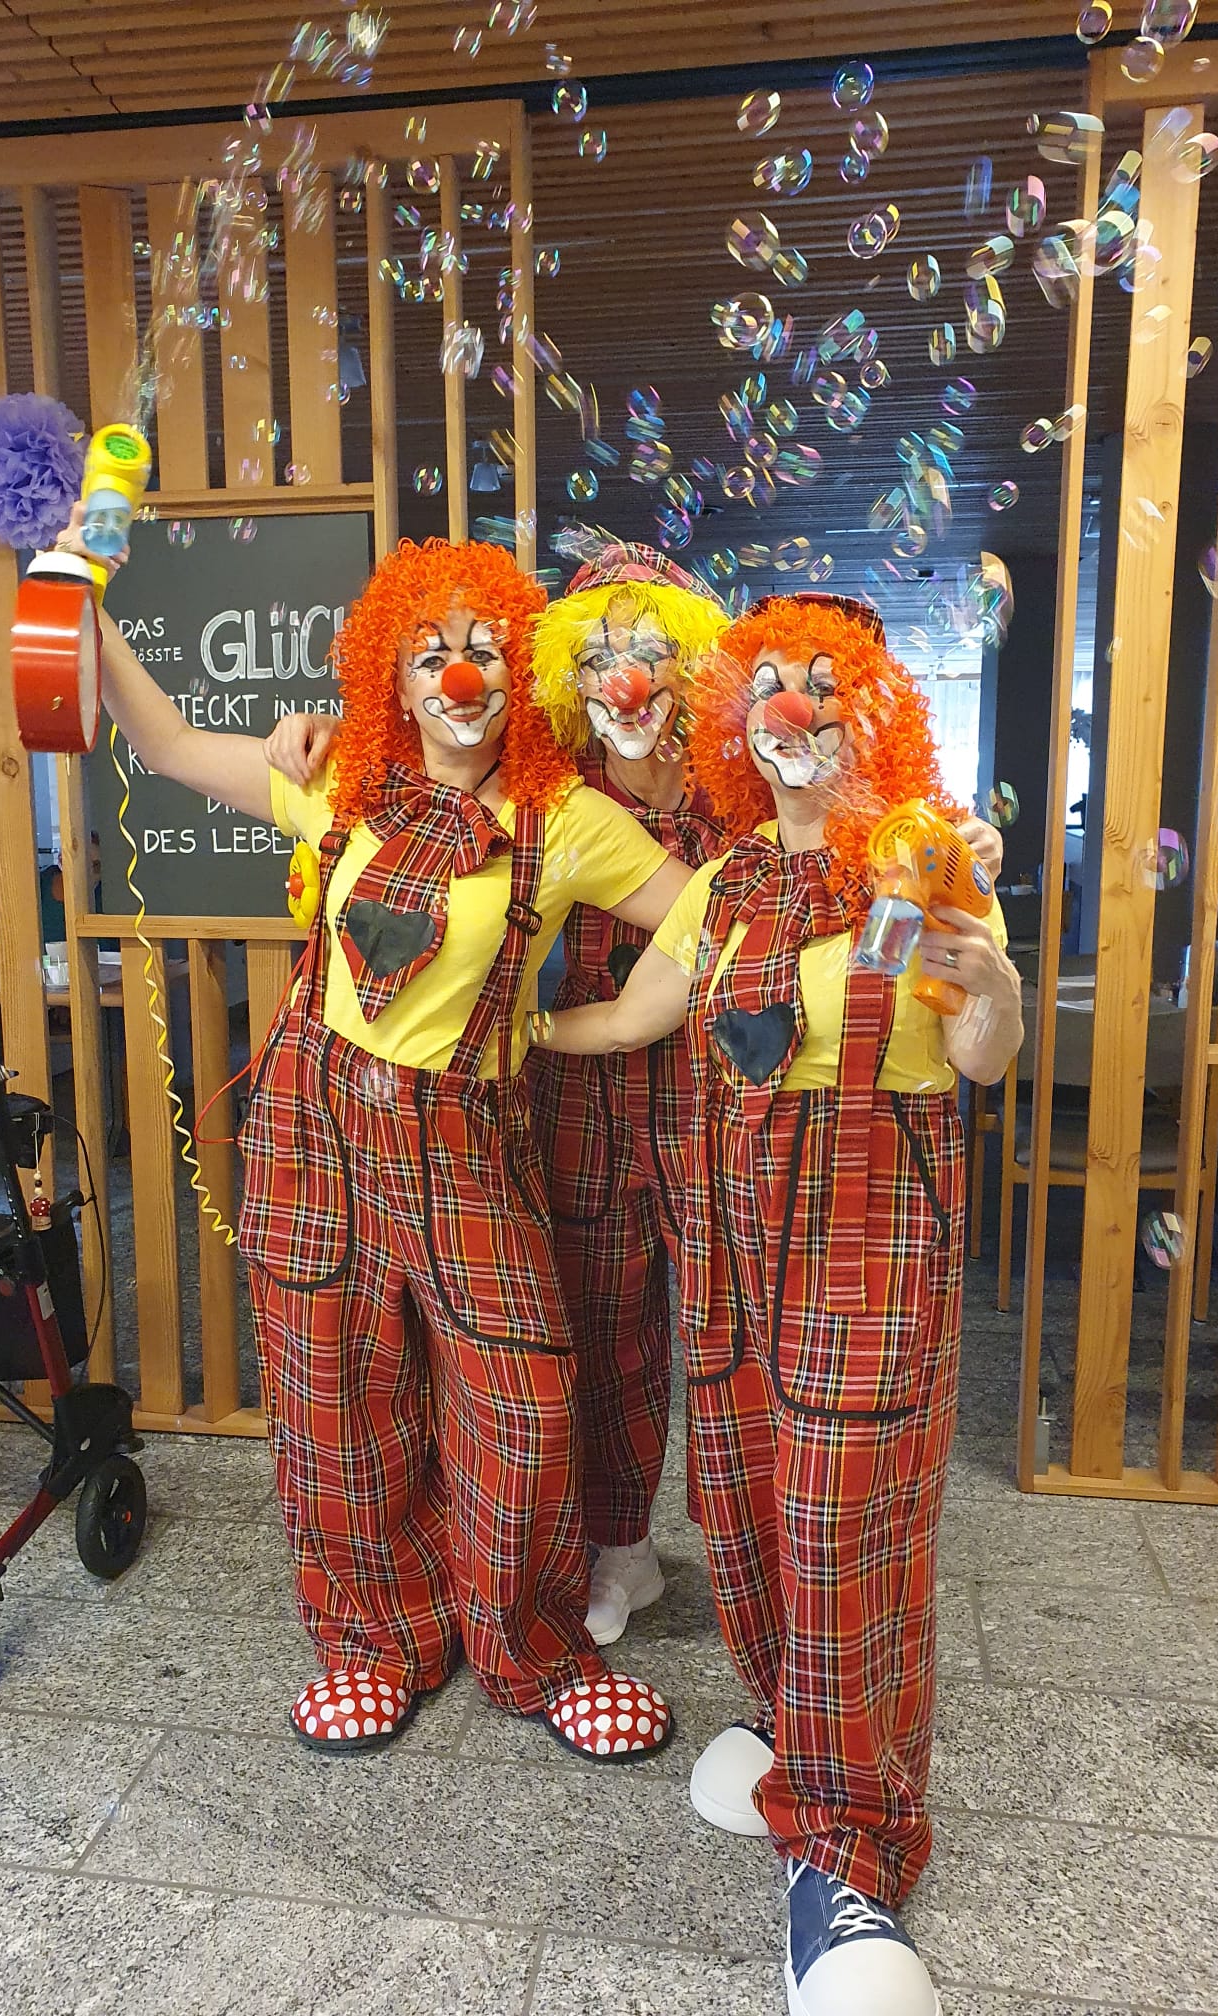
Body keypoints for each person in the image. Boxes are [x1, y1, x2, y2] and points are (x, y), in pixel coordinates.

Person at [70, 515, 692, 1761]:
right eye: (428, 654)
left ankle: (530, 1648)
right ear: (391, 681)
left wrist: (612, 1022)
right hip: (319, 1126)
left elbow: (713, 922)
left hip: (470, 1138)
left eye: (485, 650)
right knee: (337, 1400)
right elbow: (168, 742)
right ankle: (376, 1643)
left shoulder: (565, 819)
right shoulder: (338, 781)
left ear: (520, 672)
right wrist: (79, 602)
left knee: (522, 1404)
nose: (460, 676)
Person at [527, 593, 1023, 2016]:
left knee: (847, 1526)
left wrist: (991, 980)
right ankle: (792, 1720)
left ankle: (852, 1854)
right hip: (732, 1227)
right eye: (766, 688)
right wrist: (505, 1037)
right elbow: (639, 1016)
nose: (789, 710)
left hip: (872, 1226)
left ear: (870, 716)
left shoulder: (920, 863)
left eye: (821, 685)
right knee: (744, 1499)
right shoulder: (729, 879)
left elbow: (982, 1057)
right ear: (737, 725)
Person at [526, 543, 729, 1642]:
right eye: (601, 656)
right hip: (581, 1096)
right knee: (605, 1333)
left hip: (721, 1096)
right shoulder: (547, 787)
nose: (628, 679)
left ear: (693, 663)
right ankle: (621, 1551)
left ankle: (759, 1560)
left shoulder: (752, 782)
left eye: (652, 651)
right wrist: (311, 729)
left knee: (737, 1327)